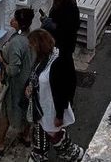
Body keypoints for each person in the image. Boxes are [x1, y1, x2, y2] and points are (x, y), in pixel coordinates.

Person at [26, 29, 84, 162]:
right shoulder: (41, 59)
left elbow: (62, 91)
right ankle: (40, 155)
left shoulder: (57, 63)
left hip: (51, 108)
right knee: (41, 130)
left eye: (32, 45)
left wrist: (59, 115)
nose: (30, 48)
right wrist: (29, 87)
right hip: (41, 105)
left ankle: (71, 153)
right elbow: (35, 76)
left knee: (53, 133)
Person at [0, 8, 35, 156]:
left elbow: (13, 70)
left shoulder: (16, 43)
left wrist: (2, 61)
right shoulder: (30, 36)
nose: (11, 20)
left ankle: (0, 144)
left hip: (17, 84)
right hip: (29, 80)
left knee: (6, 112)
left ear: (19, 24)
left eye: (14, 19)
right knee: (27, 108)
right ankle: (26, 136)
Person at [40, 0, 80, 76]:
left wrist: (50, 24)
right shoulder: (59, 1)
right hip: (60, 43)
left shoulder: (68, 6)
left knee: (65, 66)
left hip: (64, 44)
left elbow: (68, 28)